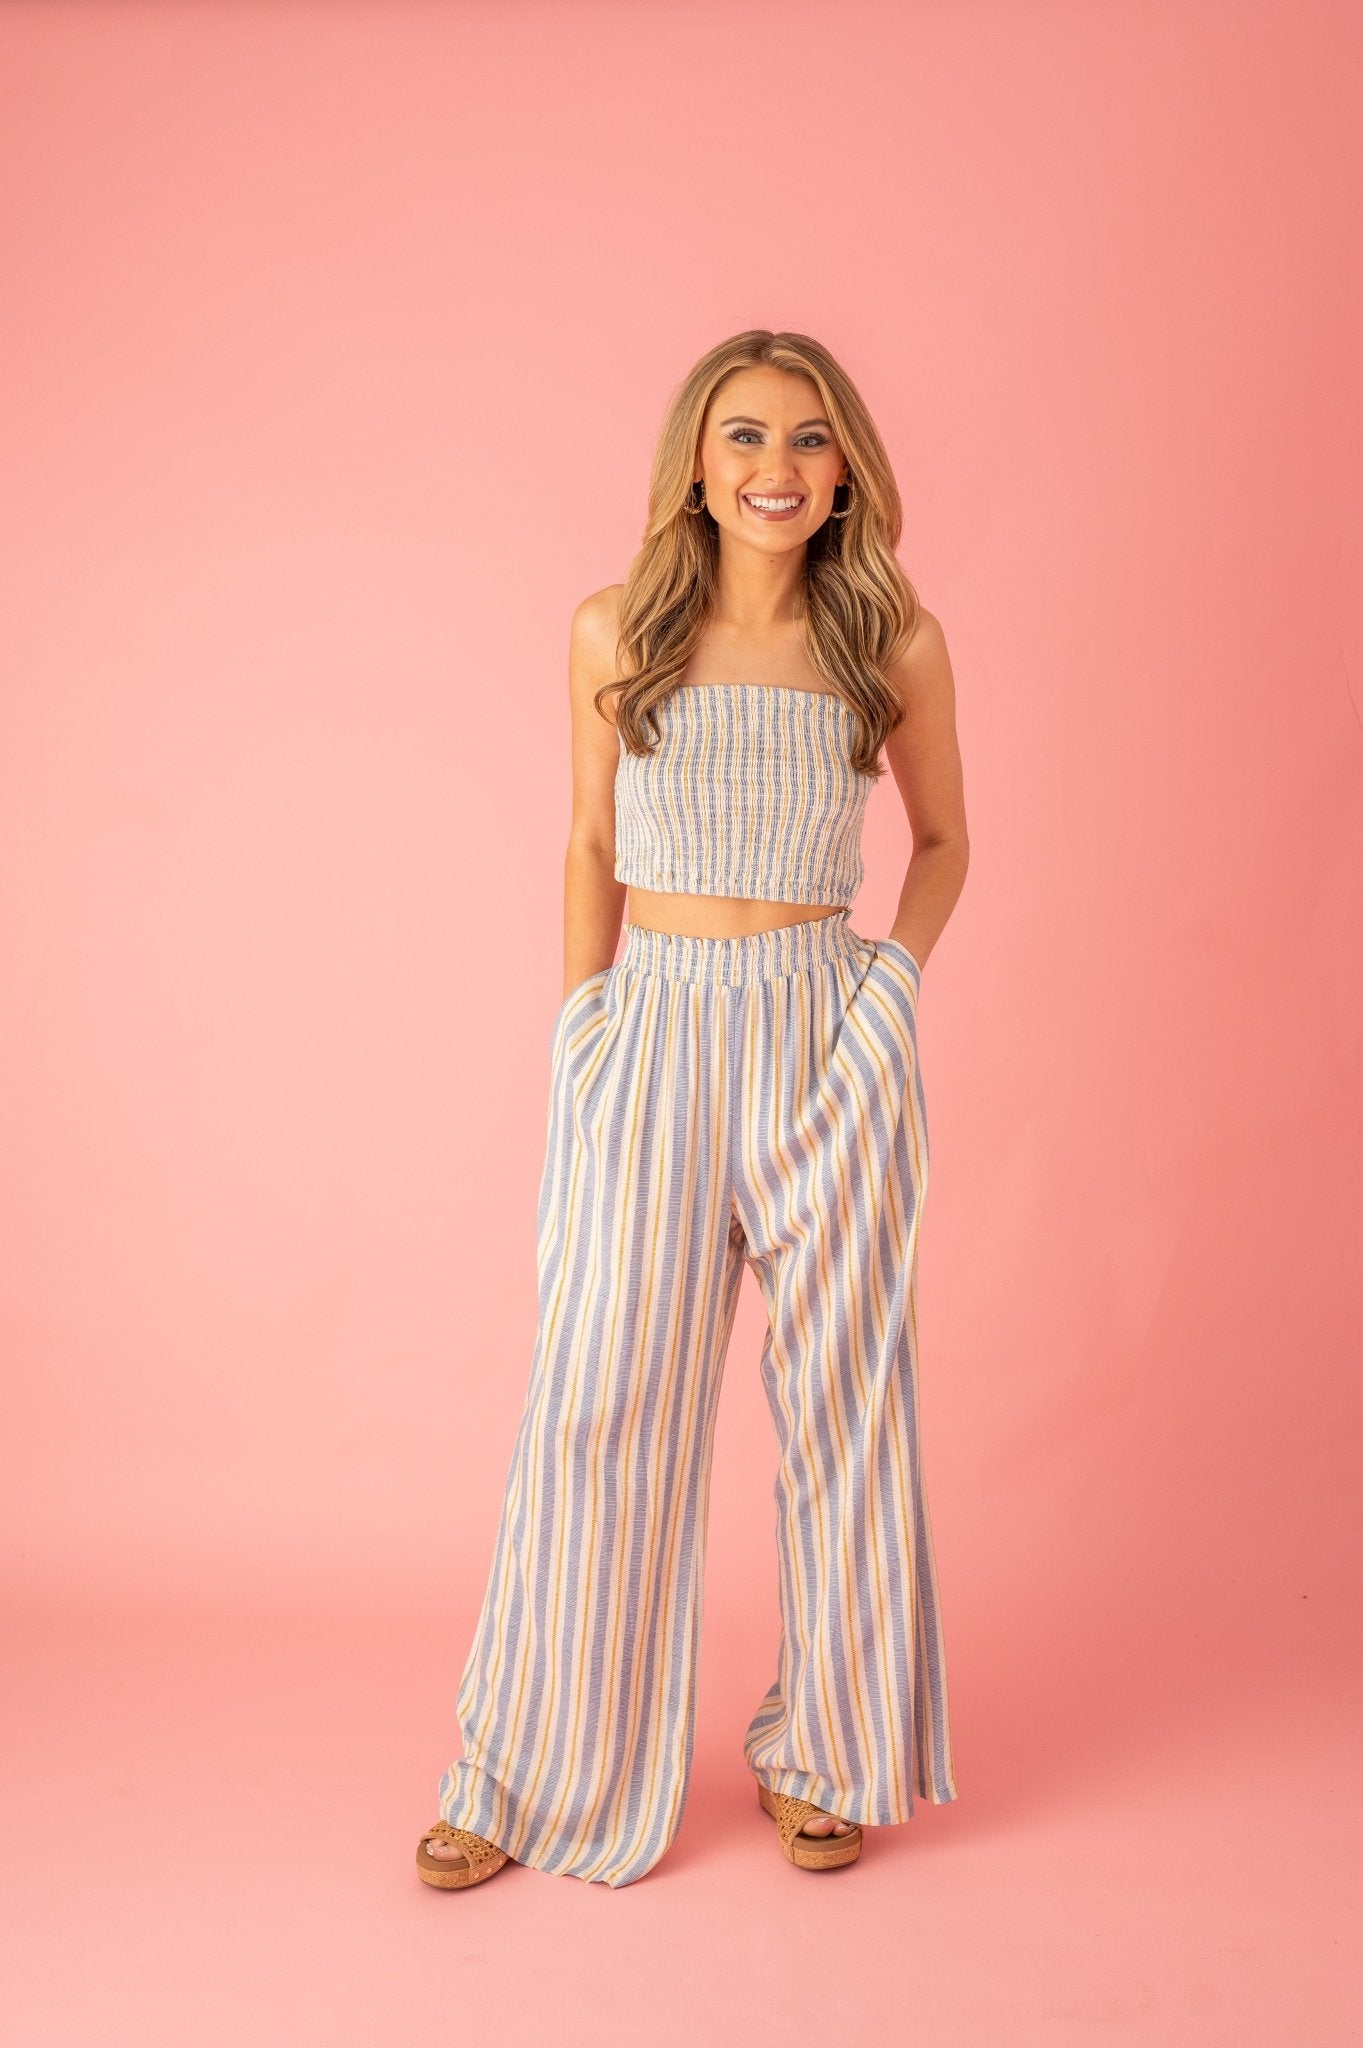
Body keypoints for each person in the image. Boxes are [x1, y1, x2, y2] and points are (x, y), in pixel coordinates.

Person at [416, 328, 969, 1891]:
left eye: (808, 438)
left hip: (822, 1033)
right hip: (650, 1030)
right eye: (745, 435)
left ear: (845, 468)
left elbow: (946, 843)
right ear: (697, 464)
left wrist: (886, 998)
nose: (776, 467)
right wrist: (583, 1033)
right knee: (596, 1399)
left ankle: (832, 1755)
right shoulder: (615, 629)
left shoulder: (894, 642)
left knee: (847, 1408)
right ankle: (523, 1770)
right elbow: (589, 844)